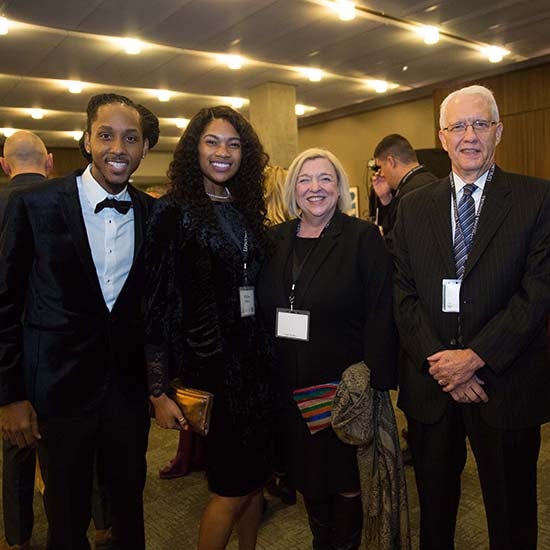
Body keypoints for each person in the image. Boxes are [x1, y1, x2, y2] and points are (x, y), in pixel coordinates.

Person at [392, 84, 550, 549]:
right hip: (433, 386)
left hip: (506, 384)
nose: (469, 135)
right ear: (442, 138)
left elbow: (538, 292)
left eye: (480, 124)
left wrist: (475, 357)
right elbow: (402, 293)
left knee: (513, 516)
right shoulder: (413, 206)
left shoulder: (536, 199)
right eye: (458, 126)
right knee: (434, 516)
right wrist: (444, 362)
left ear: (498, 132)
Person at [0, 93, 160, 549]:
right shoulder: (36, 205)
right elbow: (5, 303)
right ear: (87, 141)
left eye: (130, 138)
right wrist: (9, 396)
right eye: (106, 135)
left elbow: (155, 308)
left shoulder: (155, 213)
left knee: (129, 509)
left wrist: (158, 384)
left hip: (126, 395)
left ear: (144, 147)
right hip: (58, 391)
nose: (118, 148)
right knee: (66, 518)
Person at [144, 105, 274, 550]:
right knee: (230, 485)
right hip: (212, 370)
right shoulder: (173, 212)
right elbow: (156, 303)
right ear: (193, 150)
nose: (224, 152)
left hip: (257, 367)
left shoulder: (245, 209)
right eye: (212, 142)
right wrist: (158, 388)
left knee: (256, 479)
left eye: (234, 144)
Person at [257, 148, 398, 550]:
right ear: (292, 189)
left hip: (341, 389)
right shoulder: (275, 239)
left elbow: (379, 313)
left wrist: (373, 384)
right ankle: (323, 542)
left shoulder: (361, 237)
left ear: (338, 187)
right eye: (305, 179)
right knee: (307, 479)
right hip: (288, 384)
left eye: (324, 179)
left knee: (345, 481)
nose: (314, 188)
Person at [0, 131, 53, 550]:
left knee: (16, 449)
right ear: (50, 161)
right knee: (67, 450)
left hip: (8, 356)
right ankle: (96, 525)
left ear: (4, 165)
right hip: (58, 351)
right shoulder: (67, 200)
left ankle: (17, 538)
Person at [372, 133, 437, 240]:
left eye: (381, 167)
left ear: (391, 161)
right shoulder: (430, 179)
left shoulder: (410, 194)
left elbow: (399, 244)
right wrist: (386, 198)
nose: (381, 174)